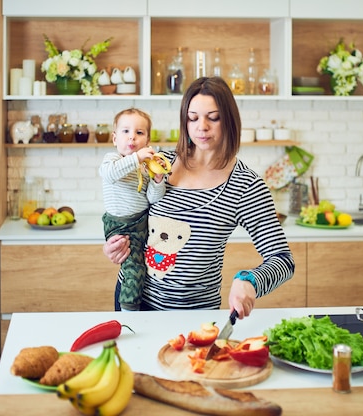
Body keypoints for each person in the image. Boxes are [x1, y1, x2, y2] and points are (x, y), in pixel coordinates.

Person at [103, 77, 294, 318]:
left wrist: (251, 281)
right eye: (192, 118)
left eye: (213, 118)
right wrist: (115, 245)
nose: (201, 127)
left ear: (229, 120)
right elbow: (127, 214)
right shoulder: (160, 163)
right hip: (135, 300)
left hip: (196, 314)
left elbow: (282, 259)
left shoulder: (246, 185)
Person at [99, 108, 167, 311]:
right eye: (125, 131)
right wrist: (136, 158)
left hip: (141, 222)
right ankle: (129, 310)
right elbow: (110, 175)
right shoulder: (112, 160)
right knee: (133, 267)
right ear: (114, 138)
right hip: (121, 226)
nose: (132, 137)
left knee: (148, 262)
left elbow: (152, 198)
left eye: (139, 133)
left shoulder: (145, 168)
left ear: (147, 140)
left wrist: (157, 180)